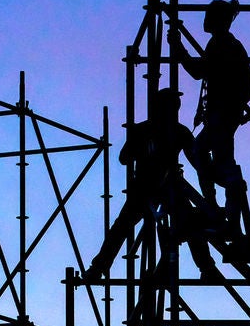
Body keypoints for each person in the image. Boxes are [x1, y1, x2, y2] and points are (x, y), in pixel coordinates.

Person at [83, 86, 218, 283]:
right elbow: (124, 157)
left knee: (186, 224)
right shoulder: (151, 130)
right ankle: (98, 268)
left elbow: (198, 161)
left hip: (164, 187)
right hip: (147, 188)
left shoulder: (173, 131)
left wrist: (209, 194)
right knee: (123, 227)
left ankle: (207, 268)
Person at [172, 0, 250, 236]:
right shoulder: (220, 44)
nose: (205, 20)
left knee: (215, 160)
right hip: (220, 116)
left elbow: (199, 72)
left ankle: (222, 213)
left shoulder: (225, 46)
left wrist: (179, 49)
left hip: (221, 116)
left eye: (209, 16)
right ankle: (220, 209)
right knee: (207, 155)